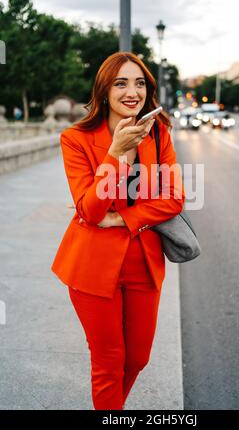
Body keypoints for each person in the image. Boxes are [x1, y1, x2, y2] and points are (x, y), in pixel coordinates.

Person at [51, 51, 185, 410]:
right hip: (93, 269)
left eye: (140, 83)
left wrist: (125, 218)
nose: (132, 91)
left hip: (143, 262)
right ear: (104, 89)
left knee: (137, 358)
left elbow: (174, 198)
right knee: (109, 363)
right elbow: (91, 210)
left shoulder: (158, 133)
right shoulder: (76, 139)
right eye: (121, 82)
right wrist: (115, 153)